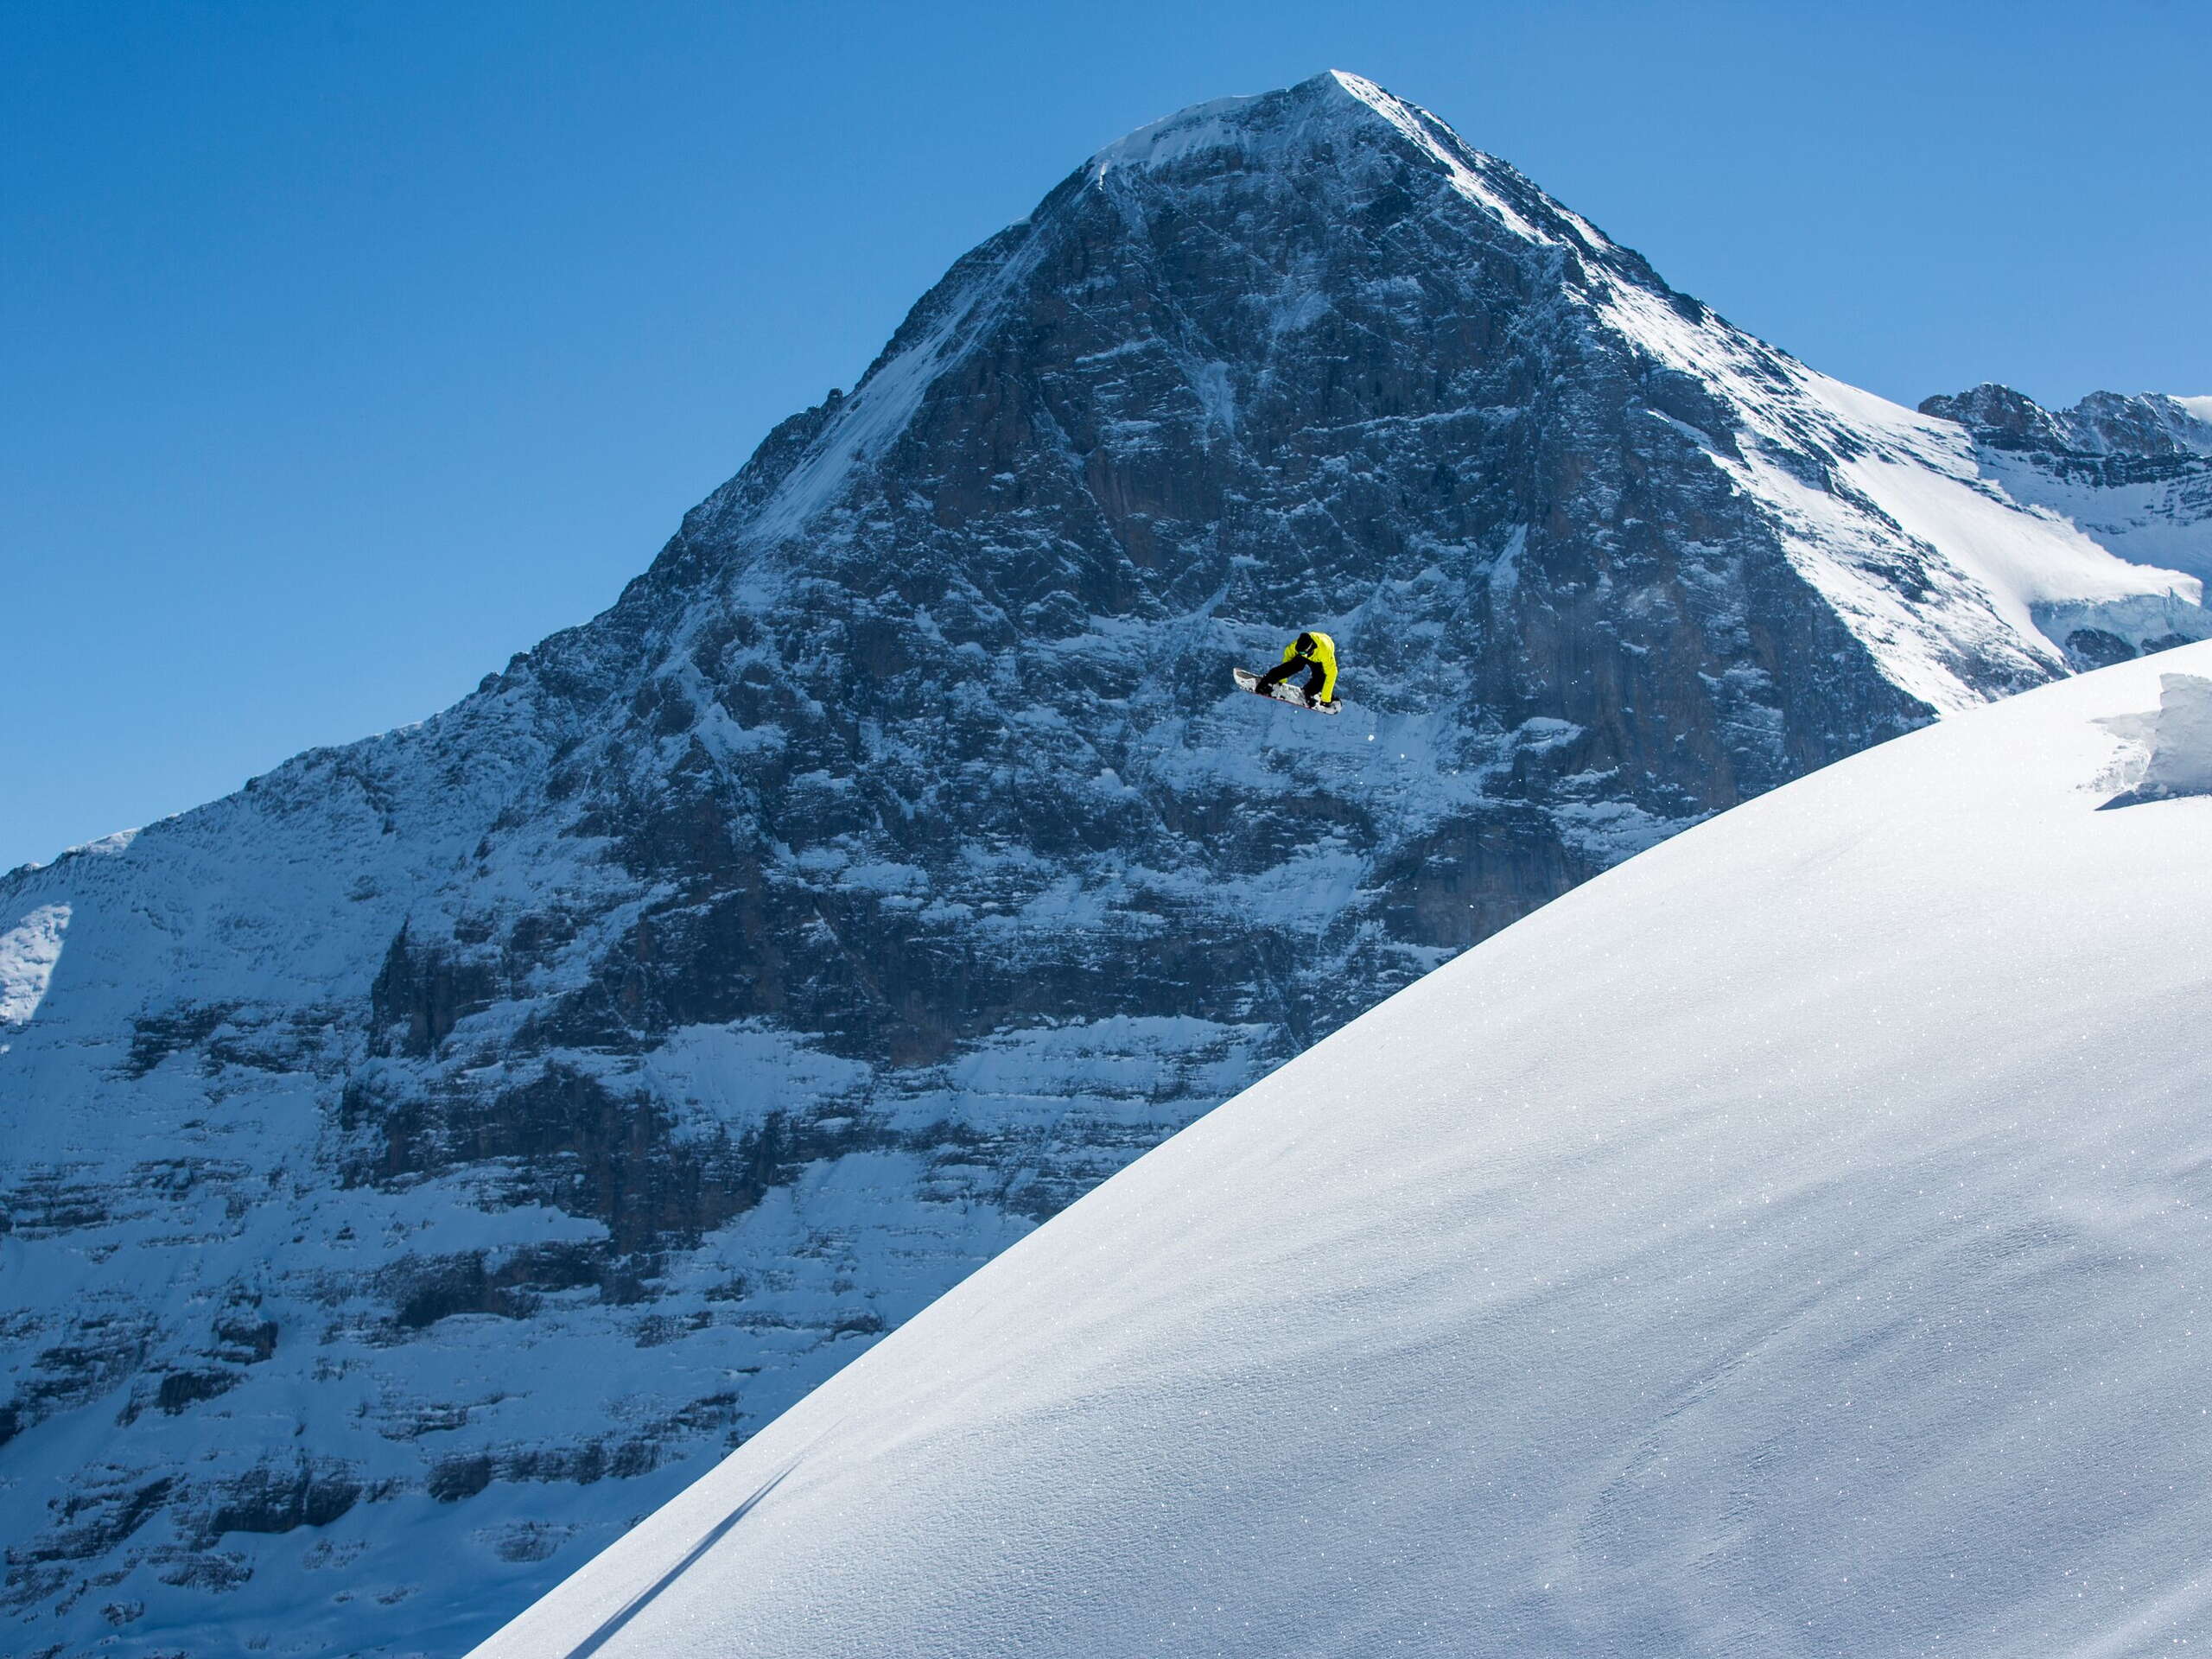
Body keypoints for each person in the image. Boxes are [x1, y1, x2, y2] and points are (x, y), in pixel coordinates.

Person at [1254, 631, 1338, 707]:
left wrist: (1326, 699)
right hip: (1310, 652)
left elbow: (1331, 674)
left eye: (1303, 652)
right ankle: (1268, 680)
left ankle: (1309, 692)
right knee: (1294, 665)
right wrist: (1279, 680)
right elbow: (1287, 657)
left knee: (1320, 677)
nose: (1301, 653)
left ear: (1310, 649)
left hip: (1318, 658)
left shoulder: (1325, 653)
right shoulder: (1298, 646)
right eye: (1300, 652)